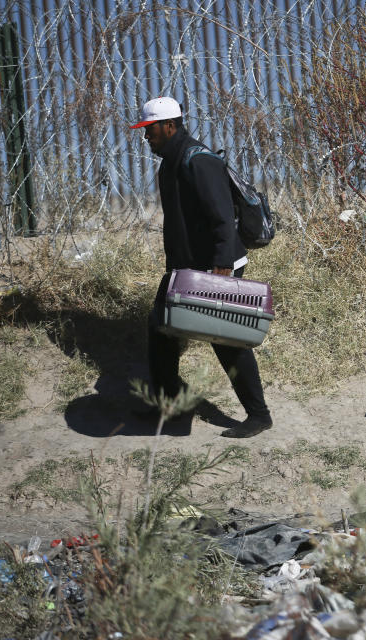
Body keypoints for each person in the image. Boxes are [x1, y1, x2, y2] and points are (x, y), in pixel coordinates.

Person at [130, 96, 272, 437]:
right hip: (188, 266)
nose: (147, 137)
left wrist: (221, 266)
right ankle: (172, 407)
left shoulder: (198, 160)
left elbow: (223, 215)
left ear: (170, 126)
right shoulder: (171, 162)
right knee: (161, 329)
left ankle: (259, 414)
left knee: (225, 339)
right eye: (144, 131)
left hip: (216, 264)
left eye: (150, 130)